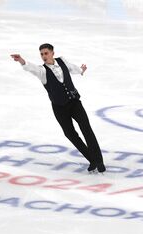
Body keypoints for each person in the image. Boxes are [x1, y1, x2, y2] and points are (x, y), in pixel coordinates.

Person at [11, 43, 105, 173]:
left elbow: (73, 68)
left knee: (86, 129)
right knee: (70, 134)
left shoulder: (63, 61)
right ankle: (92, 159)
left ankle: (99, 161)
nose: (44, 56)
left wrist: (81, 70)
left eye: (46, 53)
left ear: (52, 53)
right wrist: (21, 60)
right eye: (42, 54)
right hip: (59, 107)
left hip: (75, 102)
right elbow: (30, 68)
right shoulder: (42, 71)